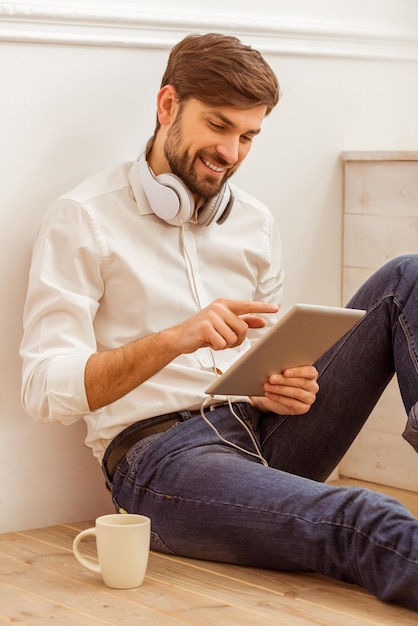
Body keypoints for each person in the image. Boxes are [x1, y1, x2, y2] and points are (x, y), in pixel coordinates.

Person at [20, 32, 418, 611]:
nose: (231, 152)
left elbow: (263, 363)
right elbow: (43, 391)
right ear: (167, 107)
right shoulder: (83, 220)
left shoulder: (254, 225)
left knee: (408, 276)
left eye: (248, 136)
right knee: (363, 514)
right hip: (164, 461)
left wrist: (286, 387)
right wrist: (175, 339)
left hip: (260, 428)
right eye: (219, 126)